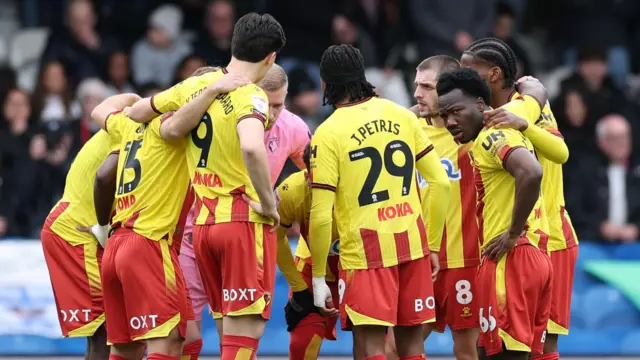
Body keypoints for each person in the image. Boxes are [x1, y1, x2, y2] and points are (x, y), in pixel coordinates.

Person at [126, 13, 286, 360]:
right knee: (244, 335)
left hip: (203, 228)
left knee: (228, 330)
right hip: (241, 222)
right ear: (270, 58)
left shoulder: (197, 85)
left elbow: (137, 112)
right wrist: (268, 203)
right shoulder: (253, 95)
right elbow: (251, 146)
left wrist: (207, 92)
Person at [88, 72, 247, 360]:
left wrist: (133, 102)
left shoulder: (129, 124)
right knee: (169, 343)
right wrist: (211, 91)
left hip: (117, 245)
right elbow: (177, 127)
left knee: (145, 345)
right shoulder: (173, 127)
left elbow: (99, 110)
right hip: (149, 245)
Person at [309, 44, 451, 360]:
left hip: (366, 254)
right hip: (413, 247)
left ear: (325, 84)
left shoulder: (327, 133)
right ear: (363, 78)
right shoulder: (402, 115)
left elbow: (319, 215)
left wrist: (319, 276)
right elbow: (441, 183)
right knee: (412, 347)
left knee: (371, 347)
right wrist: (433, 245)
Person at [177, 64, 310, 353]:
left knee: (236, 333)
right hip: (190, 237)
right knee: (183, 337)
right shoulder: (216, 116)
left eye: (280, 104)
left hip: (242, 234)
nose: (273, 114)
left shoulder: (294, 128)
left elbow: (318, 178)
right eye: (268, 104)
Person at [461, 38, 578, 360]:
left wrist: (526, 121)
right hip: (532, 235)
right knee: (520, 343)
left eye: (468, 70)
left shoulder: (515, 112)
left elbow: (560, 152)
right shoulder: (528, 102)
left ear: (494, 74)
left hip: (546, 235)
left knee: (535, 343)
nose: (462, 77)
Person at [437, 68, 552, 360]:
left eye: (456, 112)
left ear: (479, 104)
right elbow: (538, 94)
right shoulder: (506, 125)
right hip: (534, 254)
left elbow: (531, 172)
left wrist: (513, 233)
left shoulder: (492, 136)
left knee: (498, 353)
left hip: (511, 258)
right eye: (444, 115)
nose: (450, 122)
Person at [39, 93, 140, 360]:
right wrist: (104, 227)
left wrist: (137, 98)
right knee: (107, 328)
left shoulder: (124, 117)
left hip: (73, 225)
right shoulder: (137, 130)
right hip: (76, 232)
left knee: (106, 328)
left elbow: (111, 103)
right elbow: (105, 175)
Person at [247, 144, 340, 360]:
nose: (315, 181)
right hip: (310, 267)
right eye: (310, 174)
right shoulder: (292, 190)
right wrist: (299, 289)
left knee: (373, 342)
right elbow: (275, 236)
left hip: (359, 269)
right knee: (301, 346)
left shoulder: (358, 186)